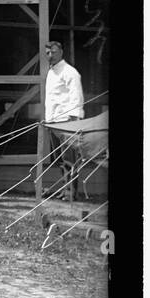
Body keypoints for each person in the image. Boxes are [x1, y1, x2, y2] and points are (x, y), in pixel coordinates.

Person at [43, 40, 85, 200]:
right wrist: (48, 120)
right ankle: (65, 189)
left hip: (67, 121)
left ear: (61, 52)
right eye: (47, 52)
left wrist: (74, 120)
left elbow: (76, 96)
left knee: (69, 158)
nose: (50, 55)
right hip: (53, 121)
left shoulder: (70, 72)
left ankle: (71, 192)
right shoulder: (51, 72)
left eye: (53, 52)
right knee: (60, 160)